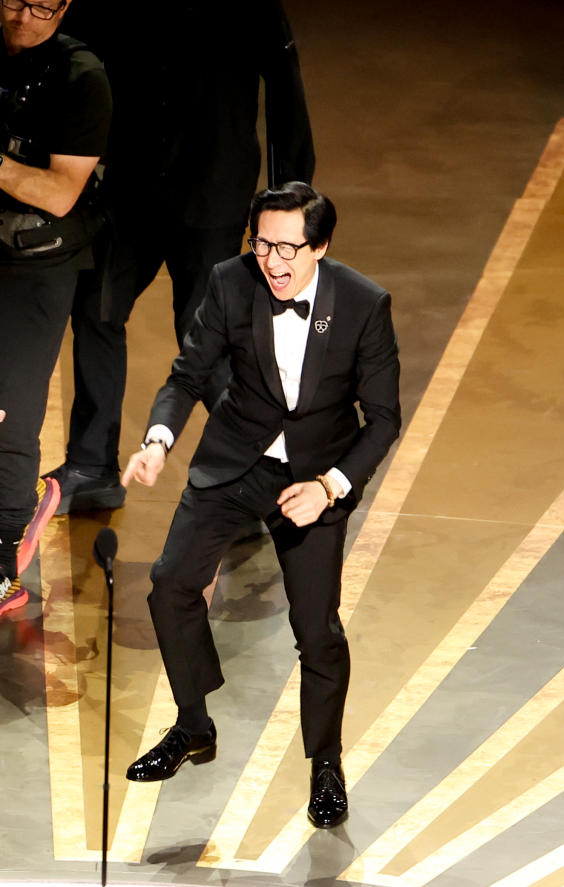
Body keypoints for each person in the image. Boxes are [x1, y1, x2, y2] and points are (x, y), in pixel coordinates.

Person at [120, 183, 400, 829]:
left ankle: (325, 762)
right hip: (235, 458)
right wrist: (158, 440)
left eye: (288, 248)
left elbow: (383, 419)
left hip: (313, 477)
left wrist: (330, 486)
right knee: (169, 586)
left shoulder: (362, 305)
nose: (272, 261)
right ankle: (194, 725)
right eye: (263, 244)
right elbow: (188, 374)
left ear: (321, 246)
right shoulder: (230, 282)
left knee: (317, 630)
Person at [47, 0, 315, 515]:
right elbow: (70, 55)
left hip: (212, 192)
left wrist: (291, 197)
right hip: (130, 188)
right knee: (96, 311)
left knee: (206, 337)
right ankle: (91, 464)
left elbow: (286, 89)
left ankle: (252, 477)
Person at [0, 0, 109, 615]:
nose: (24, 16)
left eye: (43, 5)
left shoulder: (81, 78)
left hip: (37, 261)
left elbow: (60, 193)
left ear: (66, 6)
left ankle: (2, 563)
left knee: (8, 412)